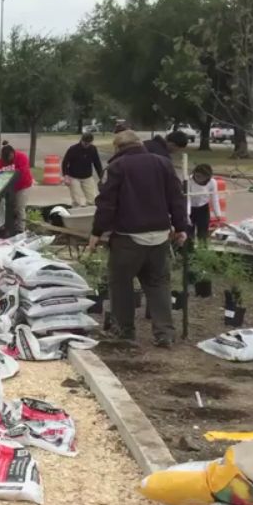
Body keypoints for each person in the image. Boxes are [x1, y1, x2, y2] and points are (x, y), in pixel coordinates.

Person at [89, 130, 188, 348]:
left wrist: (97, 232)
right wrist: (181, 227)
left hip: (128, 237)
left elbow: (106, 204)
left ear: (118, 148)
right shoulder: (163, 164)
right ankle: (165, 333)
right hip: (160, 235)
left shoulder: (116, 167)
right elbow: (176, 197)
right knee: (158, 283)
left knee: (121, 283)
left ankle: (124, 332)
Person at [0, 141, 33, 234]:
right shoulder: (1, 161)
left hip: (23, 185)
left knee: (20, 207)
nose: (7, 161)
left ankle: (21, 229)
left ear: (12, 153)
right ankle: (9, 227)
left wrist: (8, 172)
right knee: (10, 207)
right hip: (10, 188)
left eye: (9, 158)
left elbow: (22, 172)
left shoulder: (22, 157)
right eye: (5, 160)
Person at [61, 133, 103, 206]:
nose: (86, 145)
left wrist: (101, 177)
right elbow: (65, 163)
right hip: (74, 176)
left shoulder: (93, 149)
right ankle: (77, 212)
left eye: (89, 143)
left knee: (92, 199)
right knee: (77, 200)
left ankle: (89, 213)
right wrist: (66, 176)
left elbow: (97, 163)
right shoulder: (73, 149)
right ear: (81, 140)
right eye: (85, 143)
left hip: (87, 176)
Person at [188, 163, 221, 242]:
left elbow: (214, 198)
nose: (198, 178)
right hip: (190, 208)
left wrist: (218, 214)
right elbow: (187, 200)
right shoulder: (188, 181)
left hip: (203, 209)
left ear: (207, 177)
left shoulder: (212, 182)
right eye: (197, 176)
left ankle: (202, 251)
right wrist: (187, 215)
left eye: (202, 177)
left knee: (203, 234)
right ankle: (188, 252)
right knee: (189, 234)